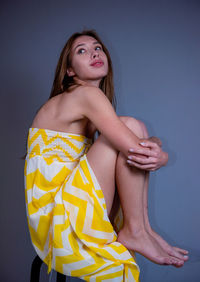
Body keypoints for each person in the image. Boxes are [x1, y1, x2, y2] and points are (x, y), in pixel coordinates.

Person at [24, 30, 188, 281]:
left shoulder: (88, 101)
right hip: (58, 224)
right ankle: (136, 230)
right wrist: (162, 156)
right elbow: (133, 144)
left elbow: (134, 141)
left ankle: (142, 228)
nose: (94, 53)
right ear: (69, 71)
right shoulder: (84, 95)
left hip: (67, 214)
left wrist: (153, 143)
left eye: (98, 48)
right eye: (82, 50)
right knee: (132, 127)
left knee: (133, 129)